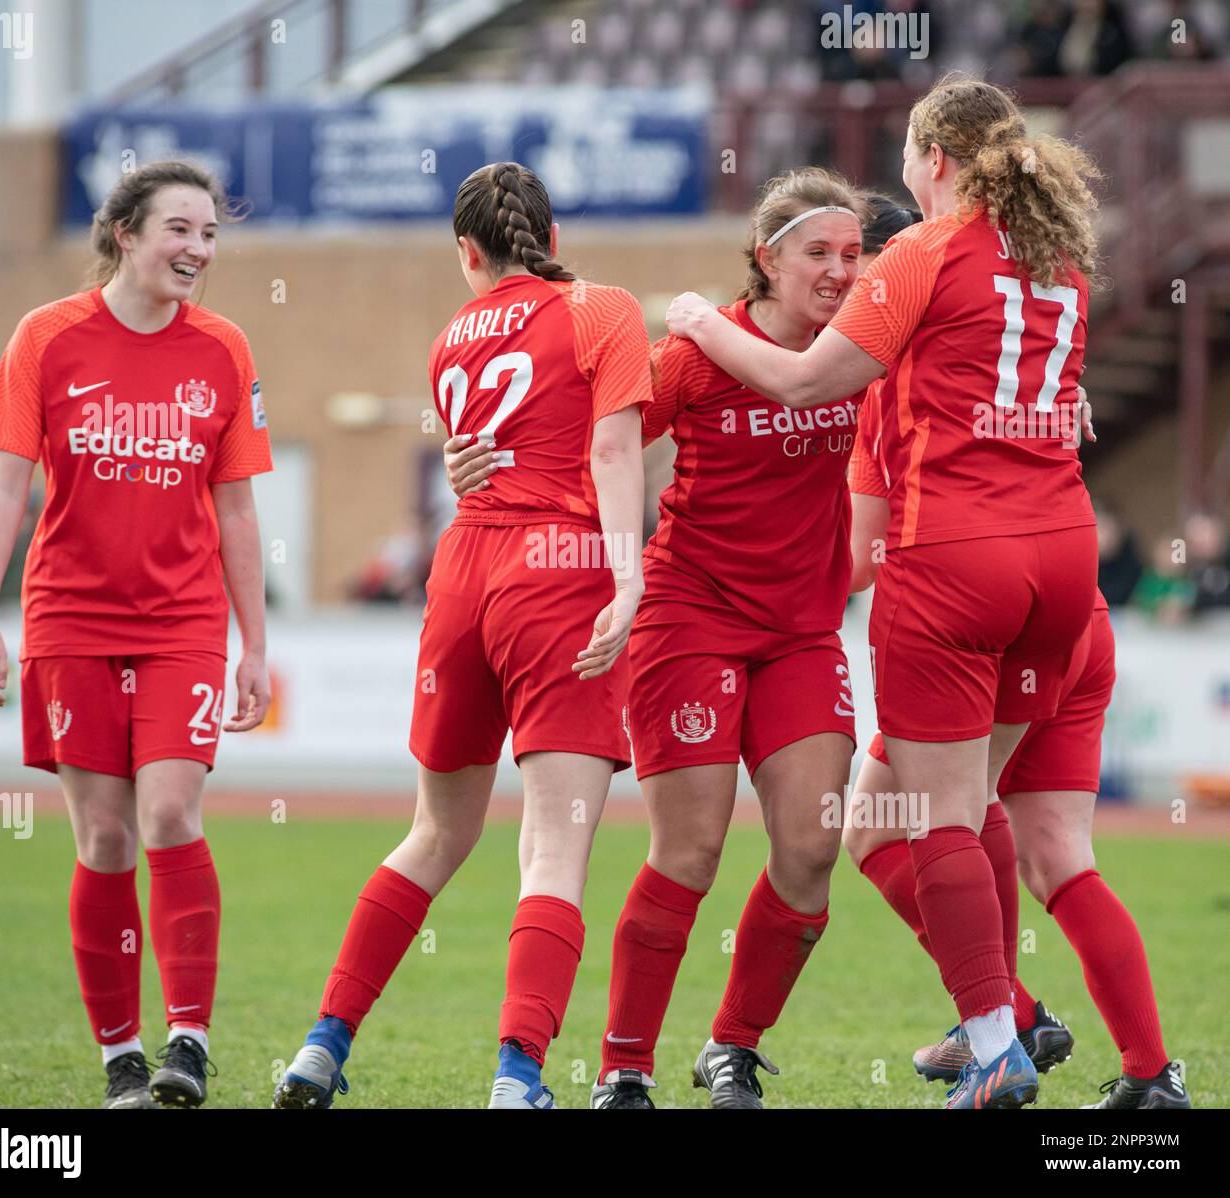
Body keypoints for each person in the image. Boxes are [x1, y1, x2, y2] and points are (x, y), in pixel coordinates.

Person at [666, 73, 1102, 1109]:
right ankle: (1022, 1023)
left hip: (954, 563)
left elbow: (809, 384)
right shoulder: (1055, 260)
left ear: (931, 160)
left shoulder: (919, 265)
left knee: (930, 816)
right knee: (931, 811)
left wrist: (694, 318)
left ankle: (996, 1038)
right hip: (1062, 563)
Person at [452, 167, 869, 1109]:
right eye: (820, 253)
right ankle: (623, 1067)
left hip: (803, 631)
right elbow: (593, 447)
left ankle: (730, 1047)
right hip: (690, 616)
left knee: (810, 849)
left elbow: (946, 398)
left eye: (854, 253)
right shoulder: (691, 356)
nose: (842, 271)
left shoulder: (860, 354)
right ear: (766, 260)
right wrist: (476, 458)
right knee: (691, 851)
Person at [273, 161, 650, 1110]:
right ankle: (518, 1077)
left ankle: (322, 1044)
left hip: (461, 575)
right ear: (553, 239)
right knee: (555, 848)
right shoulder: (603, 309)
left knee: (434, 833)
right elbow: (608, 448)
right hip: (557, 569)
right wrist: (630, 570)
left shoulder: (450, 339)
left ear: (466, 254)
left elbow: (478, 458)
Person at [0, 160, 273, 1109]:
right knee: (102, 838)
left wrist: (254, 644)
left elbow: (239, 510)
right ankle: (121, 1060)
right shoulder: (45, 338)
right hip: (70, 616)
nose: (199, 251)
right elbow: (7, 487)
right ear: (124, 234)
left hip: (181, 620)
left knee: (171, 813)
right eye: (180, 229)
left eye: (210, 235)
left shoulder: (224, 347)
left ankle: (187, 1043)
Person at [845, 377, 1190, 1109]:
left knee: (890, 825)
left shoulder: (890, 385)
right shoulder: (1020, 348)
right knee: (1060, 855)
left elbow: (858, 558)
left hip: (980, 608)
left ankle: (1006, 1022)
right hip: (1076, 607)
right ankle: (1151, 1073)